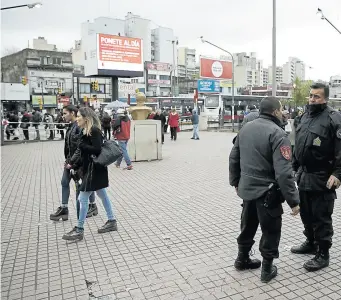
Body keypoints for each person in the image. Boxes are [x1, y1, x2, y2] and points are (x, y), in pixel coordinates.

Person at [229, 97, 300, 283]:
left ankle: (242, 259)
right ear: (276, 111)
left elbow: (233, 158)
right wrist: (294, 201)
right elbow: (284, 173)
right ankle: (267, 269)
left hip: (247, 190)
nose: (283, 112)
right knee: (271, 230)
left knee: (248, 224)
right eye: (281, 109)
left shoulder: (245, 129)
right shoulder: (278, 134)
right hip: (268, 192)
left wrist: (236, 182)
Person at [291, 83, 341, 272]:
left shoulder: (333, 119)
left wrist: (338, 174)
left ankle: (323, 254)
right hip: (304, 176)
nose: (312, 99)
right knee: (306, 214)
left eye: (317, 97)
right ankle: (311, 243)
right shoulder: (304, 117)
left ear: (325, 99)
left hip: (323, 177)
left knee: (321, 217)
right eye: (311, 96)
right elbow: (297, 145)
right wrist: (293, 168)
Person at [62, 107, 117, 241]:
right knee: (102, 195)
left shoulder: (94, 131)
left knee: (82, 198)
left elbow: (97, 150)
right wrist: (72, 163)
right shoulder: (84, 131)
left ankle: (79, 229)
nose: (78, 118)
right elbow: (82, 152)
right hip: (90, 169)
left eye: (79, 116)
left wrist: (82, 146)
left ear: (86, 118)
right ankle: (111, 221)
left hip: (94, 170)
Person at [50, 105, 97, 221]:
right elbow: (70, 146)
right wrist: (68, 160)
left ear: (72, 113)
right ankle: (64, 208)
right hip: (70, 160)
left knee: (85, 185)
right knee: (64, 182)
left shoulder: (79, 126)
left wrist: (73, 162)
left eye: (65, 113)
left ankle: (92, 206)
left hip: (77, 162)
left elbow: (80, 147)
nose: (63, 116)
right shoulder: (72, 126)